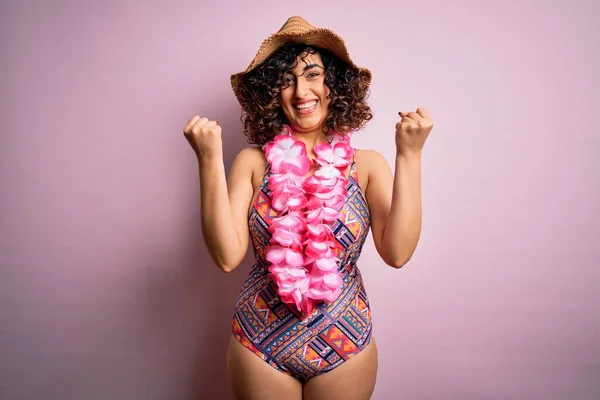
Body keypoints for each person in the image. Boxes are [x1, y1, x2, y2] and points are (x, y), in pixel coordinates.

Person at [183, 16, 433, 400]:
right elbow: (227, 257)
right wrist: (208, 160)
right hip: (260, 341)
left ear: (333, 84)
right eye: (286, 80)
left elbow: (397, 253)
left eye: (313, 74)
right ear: (272, 93)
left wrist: (411, 155)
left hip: (344, 342)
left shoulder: (366, 166)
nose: (301, 91)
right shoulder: (252, 163)